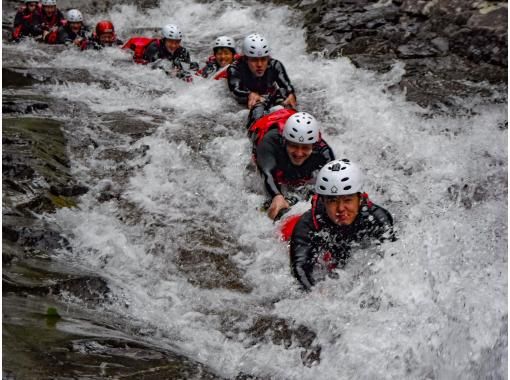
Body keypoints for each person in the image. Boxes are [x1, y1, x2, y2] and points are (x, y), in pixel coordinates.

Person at [290, 159, 396, 291]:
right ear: (323, 201)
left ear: (360, 199)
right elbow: (300, 268)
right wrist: (316, 294)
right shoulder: (308, 224)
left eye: (348, 200)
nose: (341, 209)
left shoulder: (377, 218)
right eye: (332, 201)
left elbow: (392, 263)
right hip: (324, 246)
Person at [255, 112, 335, 220]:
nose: (299, 153)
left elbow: (333, 182)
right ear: (285, 142)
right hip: (264, 123)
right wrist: (276, 196)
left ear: (313, 146)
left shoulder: (322, 152)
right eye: (293, 145)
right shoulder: (270, 142)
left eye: (305, 148)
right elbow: (267, 173)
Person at [227, 33, 297, 127]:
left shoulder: (274, 65)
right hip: (248, 100)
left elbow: (286, 85)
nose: (259, 64)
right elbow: (236, 89)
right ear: (246, 59)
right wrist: (249, 94)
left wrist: (291, 94)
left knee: (282, 93)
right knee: (257, 105)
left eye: (263, 59)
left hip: (268, 95)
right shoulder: (235, 68)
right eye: (254, 60)